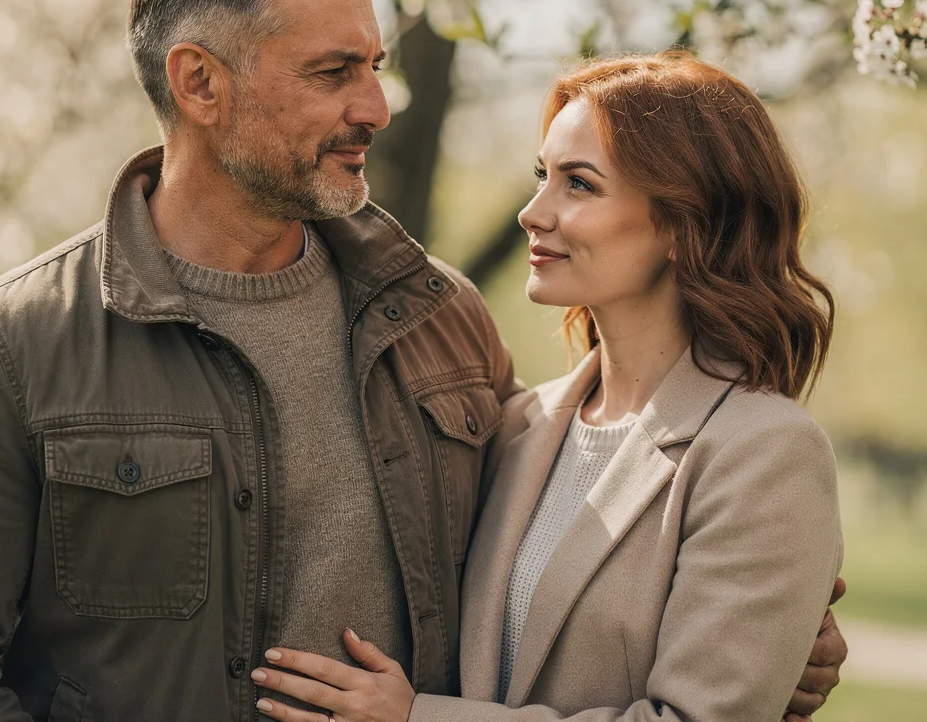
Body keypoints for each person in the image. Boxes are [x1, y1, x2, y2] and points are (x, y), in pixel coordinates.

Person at [0, 0, 845, 720]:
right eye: (335, 72)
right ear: (199, 82)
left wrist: (759, 647)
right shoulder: (6, 348)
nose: (377, 105)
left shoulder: (440, 324)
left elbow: (583, 579)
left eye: (374, 64)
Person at [251, 52, 845, 722]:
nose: (533, 213)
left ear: (685, 224)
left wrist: (418, 720)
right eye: (542, 177)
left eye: (580, 185)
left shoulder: (764, 453)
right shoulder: (520, 426)